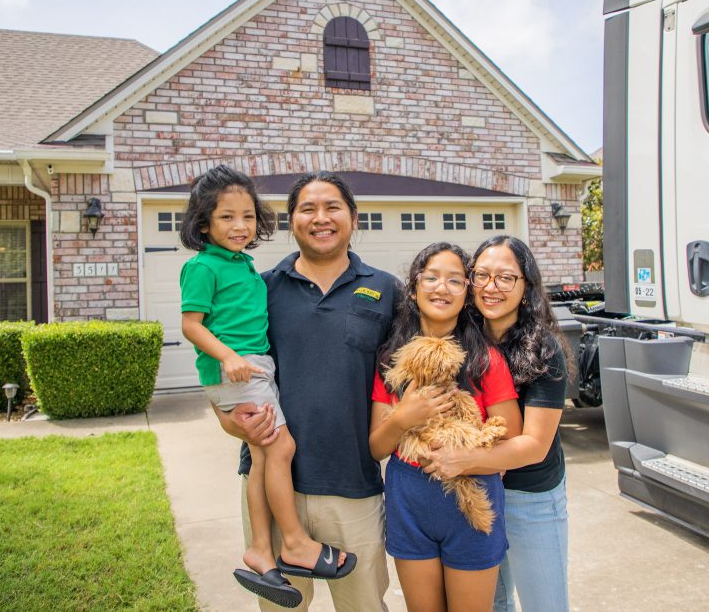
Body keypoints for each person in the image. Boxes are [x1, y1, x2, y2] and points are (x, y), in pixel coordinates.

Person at [217, 171, 399, 612]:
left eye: (332, 207)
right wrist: (230, 422)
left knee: (364, 605)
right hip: (272, 486)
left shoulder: (388, 290)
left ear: (354, 218)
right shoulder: (258, 288)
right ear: (290, 220)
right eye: (307, 208)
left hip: (354, 486)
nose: (321, 218)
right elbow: (226, 368)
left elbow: (402, 383)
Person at [179, 166, 354, 609]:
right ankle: (293, 542)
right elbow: (190, 325)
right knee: (280, 448)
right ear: (204, 224)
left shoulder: (243, 265)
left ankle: (261, 548)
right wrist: (229, 359)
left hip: (253, 367)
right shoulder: (202, 266)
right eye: (226, 218)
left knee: (264, 455)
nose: (240, 226)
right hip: (239, 370)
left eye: (247, 217)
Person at [369, 242, 522, 612]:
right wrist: (403, 418)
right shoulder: (391, 361)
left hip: (472, 501)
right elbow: (376, 447)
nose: (442, 288)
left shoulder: (486, 360)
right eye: (431, 277)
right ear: (413, 287)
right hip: (410, 499)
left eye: (455, 280)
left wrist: (465, 458)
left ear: (467, 293)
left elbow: (513, 441)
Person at [423, 235, 571, 612]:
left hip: (530, 496)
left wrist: (462, 460)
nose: (491, 287)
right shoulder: (458, 339)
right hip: (477, 493)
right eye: (482, 276)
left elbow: (535, 445)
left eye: (506, 278)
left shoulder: (544, 349)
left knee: (545, 604)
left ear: (525, 288)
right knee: (493, 604)